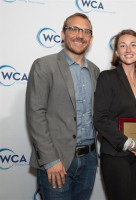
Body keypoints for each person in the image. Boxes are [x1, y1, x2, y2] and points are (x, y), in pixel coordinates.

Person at [26, 13, 100, 200]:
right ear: (62, 34)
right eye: (73, 29)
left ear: (91, 39)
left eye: (85, 31)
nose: (79, 35)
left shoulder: (95, 71)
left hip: (89, 160)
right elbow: (36, 114)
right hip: (57, 161)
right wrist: (51, 160)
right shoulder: (44, 65)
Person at [93, 29, 136, 200]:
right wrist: (130, 143)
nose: (128, 50)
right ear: (117, 52)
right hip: (116, 154)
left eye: (133, 45)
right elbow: (100, 119)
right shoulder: (107, 77)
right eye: (123, 46)